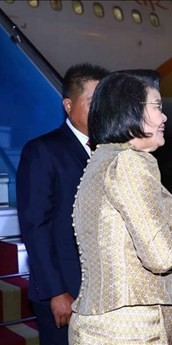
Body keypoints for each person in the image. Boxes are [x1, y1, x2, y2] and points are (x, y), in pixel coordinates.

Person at [68, 69, 172, 345]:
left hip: (96, 323)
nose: (164, 117)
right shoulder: (131, 163)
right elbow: (160, 257)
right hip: (132, 329)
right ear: (130, 111)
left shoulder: (102, 158)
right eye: (157, 107)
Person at [16, 63, 109, 345]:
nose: (99, 110)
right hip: (64, 289)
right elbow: (35, 226)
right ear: (68, 104)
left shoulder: (108, 151)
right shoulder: (43, 150)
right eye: (93, 102)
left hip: (101, 288)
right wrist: (56, 291)